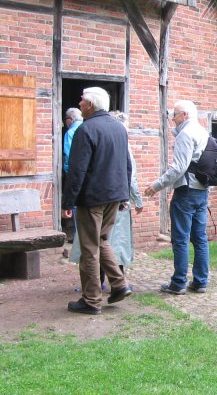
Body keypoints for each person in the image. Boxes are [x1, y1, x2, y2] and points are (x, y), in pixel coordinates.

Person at [61, 87, 133, 315]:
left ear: (90, 104)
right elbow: (127, 165)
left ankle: (91, 300)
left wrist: (67, 202)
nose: (79, 103)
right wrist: (123, 195)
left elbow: (77, 171)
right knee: (102, 240)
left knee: (89, 249)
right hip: (114, 197)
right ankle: (119, 284)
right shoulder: (119, 128)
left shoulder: (86, 129)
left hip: (92, 199)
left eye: (82, 100)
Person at [144, 100, 210, 294]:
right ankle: (200, 281)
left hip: (186, 191)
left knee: (180, 238)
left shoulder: (185, 134)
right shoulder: (203, 132)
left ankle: (179, 282)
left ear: (185, 115)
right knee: (200, 238)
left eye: (175, 115)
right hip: (202, 190)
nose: (173, 119)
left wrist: (157, 185)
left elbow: (179, 167)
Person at [69, 112, 143, 284]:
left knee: (104, 242)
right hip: (117, 200)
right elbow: (129, 177)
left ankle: (108, 283)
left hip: (105, 199)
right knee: (113, 242)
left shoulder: (107, 140)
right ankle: (116, 282)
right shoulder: (122, 145)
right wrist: (136, 199)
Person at [62, 107, 83, 243]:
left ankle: (77, 236)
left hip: (74, 173)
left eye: (66, 120)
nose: (65, 122)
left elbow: (69, 154)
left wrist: (68, 171)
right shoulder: (87, 128)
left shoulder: (70, 132)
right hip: (87, 172)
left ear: (70, 119)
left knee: (74, 204)